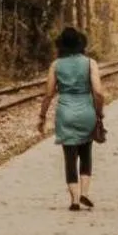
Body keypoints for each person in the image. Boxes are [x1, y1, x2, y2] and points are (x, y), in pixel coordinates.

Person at [36, 25, 105, 210]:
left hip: (65, 113)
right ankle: (85, 193)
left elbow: (48, 94)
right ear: (81, 44)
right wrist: (99, 112)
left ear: (61, 46)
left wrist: (42, 117)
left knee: (69, 157)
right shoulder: (90, 63)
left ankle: (74, 200)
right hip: (86, 112)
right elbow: (98, 92)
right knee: (86, 154)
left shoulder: (56, 65)